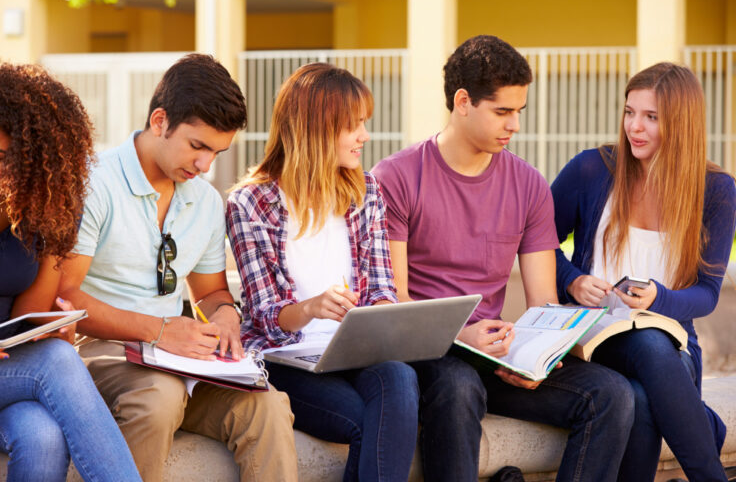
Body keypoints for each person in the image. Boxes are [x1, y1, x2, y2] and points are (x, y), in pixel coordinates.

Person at [371, 35, 635, 482]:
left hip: (497, 355)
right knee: (458, 385)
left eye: (519, 112)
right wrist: (463, 336)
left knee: (611, 394)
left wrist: (538, 358)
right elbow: (396, 305)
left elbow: (543, 303)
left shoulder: (528, 185)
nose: (514, 125)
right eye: (502, 111)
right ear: (462, 102)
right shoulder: (396, 177)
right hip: (429, 354)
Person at [57, 53, 298, 482]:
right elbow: (66, 298)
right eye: (198, 146)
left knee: (269, 406)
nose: (205, 165)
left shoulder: (204, 201)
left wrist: (225, 316)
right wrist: (161, 331)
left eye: (217, 152)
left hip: (178, 359)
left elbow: (209, 293)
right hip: (101, 350)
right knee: (158, 398)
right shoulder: (93, 183)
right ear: (159, 121)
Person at [226, 62, 419, 482]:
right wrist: (312, 308)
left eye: (363, 124)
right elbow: (265, 315)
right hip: (286, 358)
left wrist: (384, 319)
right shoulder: (251, 203)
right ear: (315, 128)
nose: (364, 137)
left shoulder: (366, 192)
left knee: (400, 376)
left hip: (355, 350)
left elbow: (383, 289)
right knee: (370, 421)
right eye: (353, 126)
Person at [551, 62, 735, 482]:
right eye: (630, 112)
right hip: (592, 334)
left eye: (651, 117)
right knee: (651, 350)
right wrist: (573, 280)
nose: (635, 127)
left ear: (681, 122)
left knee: (644, 378)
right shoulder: (591, 169)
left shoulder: (716, 191)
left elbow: (707, 293)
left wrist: (659, 299)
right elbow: (537, 242)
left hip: (671, 349)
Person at [0, 54, 140, 481]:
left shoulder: (45, 212)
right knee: (57, 361)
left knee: (43, 437)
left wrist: (48, 325)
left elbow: (19, 321)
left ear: (31, 159)